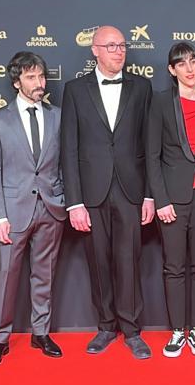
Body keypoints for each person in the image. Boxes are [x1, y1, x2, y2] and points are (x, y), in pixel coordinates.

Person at [60, 25, 155, 359]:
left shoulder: (142, 88)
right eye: (111, 45)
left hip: (131, 190)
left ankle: (131, 330)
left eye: (122, 45)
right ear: (94, 50)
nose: (119, 51)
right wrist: (74, 202)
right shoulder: (74, 90)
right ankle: (104, 326)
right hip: (91, 192)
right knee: (98, 261)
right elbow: (68, 149)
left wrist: (149, 194)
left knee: (129, 260)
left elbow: (149, 144)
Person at [0, 52, 67, 367]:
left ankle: (40, 332)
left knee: (44, 274)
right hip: (13, 212)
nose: (39, 83)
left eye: (42, 76)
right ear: (17, 82)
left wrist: (65, 199)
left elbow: (65, 163)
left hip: (51, 207)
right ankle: (0, 338)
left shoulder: (58, 116)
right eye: (31, 77)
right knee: (7, 276)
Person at [146, 42, 195, 357]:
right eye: (182, 63)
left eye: (193, 61)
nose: (190, 68)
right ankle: (178, 330)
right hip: (172, 198)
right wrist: (161, 200)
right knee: (174, 266)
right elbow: (152, 155)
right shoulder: (161, 102)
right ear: (172, 70)